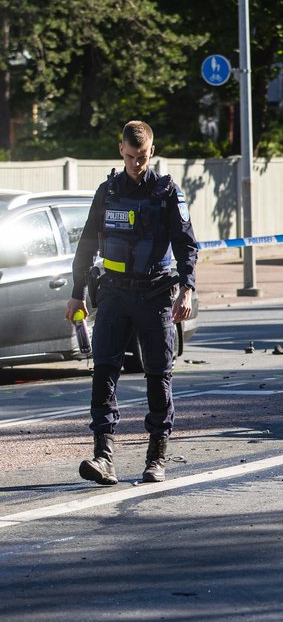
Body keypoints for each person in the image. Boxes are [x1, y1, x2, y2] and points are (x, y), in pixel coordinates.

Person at [65, 120, 197, 486]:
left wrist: (187, 289)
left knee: (158, 375)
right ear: (120, 149)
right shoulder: (107, 193)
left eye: (142, 156)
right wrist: (77, 292)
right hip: (114, 295)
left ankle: (156, 457)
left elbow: (186, 244)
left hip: (155, 294)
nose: (137, 162)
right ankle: (103, 456)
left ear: (151, 151)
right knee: (104, 372)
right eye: (131, 155)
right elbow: (87, 245)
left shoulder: (167, 193)